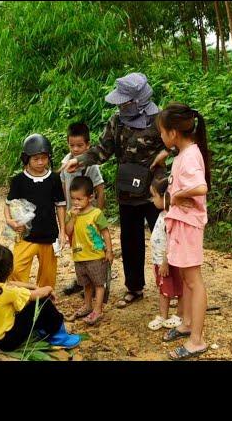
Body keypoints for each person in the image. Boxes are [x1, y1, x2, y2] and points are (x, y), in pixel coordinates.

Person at [63, 73, 170, 308]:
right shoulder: (117, 121)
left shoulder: (160, 120)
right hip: (127, 191)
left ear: (139, 100)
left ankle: (171, 288)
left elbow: (178, 142)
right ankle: (134, 287)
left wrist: (167, 152)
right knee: (130, 240)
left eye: (125, 101)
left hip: (155, 192)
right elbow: (103, 149)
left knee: (164, 239)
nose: (121, 105)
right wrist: (79, 161)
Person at [157, 103, 210, 360]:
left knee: (193, 280)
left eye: (162, 132)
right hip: (182, 223)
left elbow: (200, 187)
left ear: (173, 133)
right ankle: (188, 323)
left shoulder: (189, 156)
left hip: (189, 225)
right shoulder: (183, 154)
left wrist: (177, 195)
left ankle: (196, 340)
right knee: (187, 278)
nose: (161, 137)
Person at [0, 244, 81, 351]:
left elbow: (11, 283)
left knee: (26, 303)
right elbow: (37, 295)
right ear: (10, 270)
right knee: (43, 302)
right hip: (6, 342)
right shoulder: (9, 292)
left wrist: (33, 286)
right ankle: (60, 337)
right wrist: (48, 288)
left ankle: (43, 328)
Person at [5, 134, 67, 288]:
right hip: (25, 235)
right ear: (26, 159)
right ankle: (21, 302)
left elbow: (60, 205)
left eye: (44, 158)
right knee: (16, 269)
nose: (40, 162)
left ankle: (44, 304)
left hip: (49, 235)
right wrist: (9, 221)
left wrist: (62, 231)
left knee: (48, 276)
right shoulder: (18, 181)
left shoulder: (54, 179)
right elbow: (8, 205)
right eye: (35, 159)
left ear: (49, 158)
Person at [60, 121, 105, 296]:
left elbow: (100, 191)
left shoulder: (91, 166)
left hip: (89, 216)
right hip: (74, 215)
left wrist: (98, 215)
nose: (76, 149)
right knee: (77, 247)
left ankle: (97, 283)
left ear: (88, 145)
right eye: (72, 145)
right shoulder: (66, 162)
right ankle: (82, 280)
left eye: (80, 146)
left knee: (93, 248)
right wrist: (65, 217)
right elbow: (64, 190)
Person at [64, 176, 114, 325]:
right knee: (86, 283)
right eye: (73, 199)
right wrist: (72, 217)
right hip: (79, 255)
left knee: (99, 283)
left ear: (90, 197)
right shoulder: (71, 213)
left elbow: (105, 232)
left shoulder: (96, 213)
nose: (75, 202)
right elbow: (68, 231)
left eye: (79, 199)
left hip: (96, 255)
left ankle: (97, 310)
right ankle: (87, 305)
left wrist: (109, 251)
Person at [147, 177, 184, 331]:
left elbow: (171, 241)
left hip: (167, 262)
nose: (151, 200)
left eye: (154, 196)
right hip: (161, 260)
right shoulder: (163, 213)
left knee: (171, 288)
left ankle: (177, 315)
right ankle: (164, 315)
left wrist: (165, 262)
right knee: (165, 288)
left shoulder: (170, 217)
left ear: (165, 196)